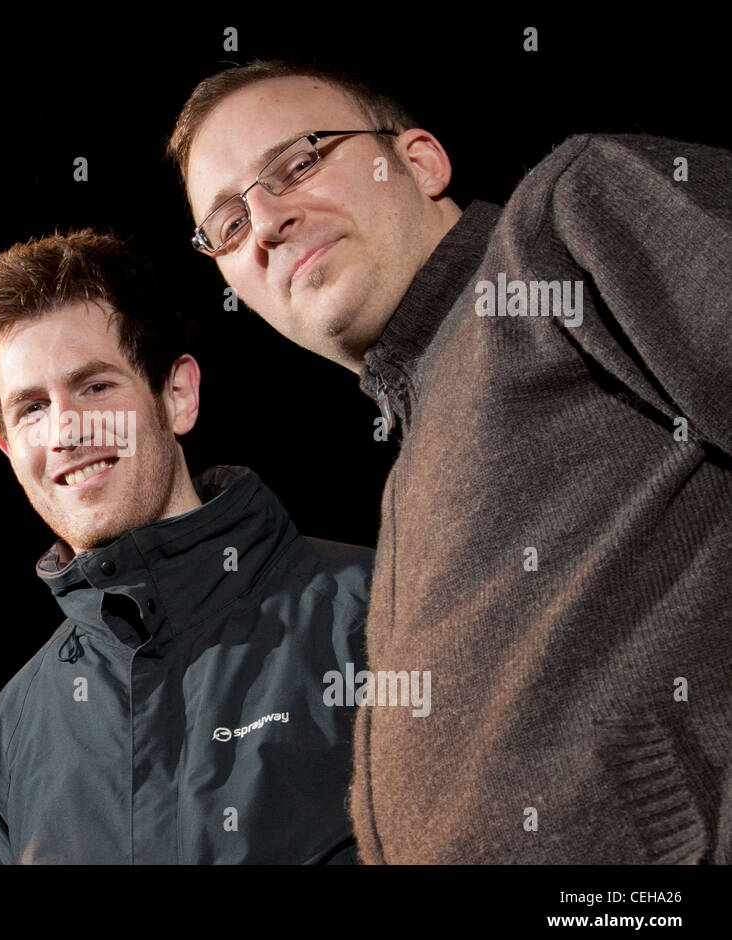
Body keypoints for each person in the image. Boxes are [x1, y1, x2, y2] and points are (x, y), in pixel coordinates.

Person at [170, 60, 732, 863]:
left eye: (298, 161)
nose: (265, 222)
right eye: (226, 223)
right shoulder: (408, 470)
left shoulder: (565, 222)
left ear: (422, 160)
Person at [0, 228, 373, 863]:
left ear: (177, 395)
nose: (67, 430)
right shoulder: (15, 731)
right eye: (32, 408)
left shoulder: (371, 611)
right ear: (8, 447)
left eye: (95, 386)